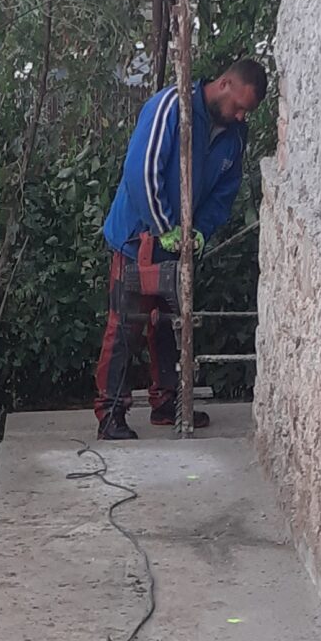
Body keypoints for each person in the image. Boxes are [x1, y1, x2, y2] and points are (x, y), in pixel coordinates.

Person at [94, 54, 267, 441]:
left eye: (247, 111)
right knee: (126, 326)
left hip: (180, 244)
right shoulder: (172, 107)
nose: (241, 116)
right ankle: (110, 413)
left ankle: (168, 403)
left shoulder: (234, 135)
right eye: (239, 106)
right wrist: (162, 227)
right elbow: (142, 172)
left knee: (171, 326)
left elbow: (224, 193)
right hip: (137, 237)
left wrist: (200, 232)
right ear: (224, 84)